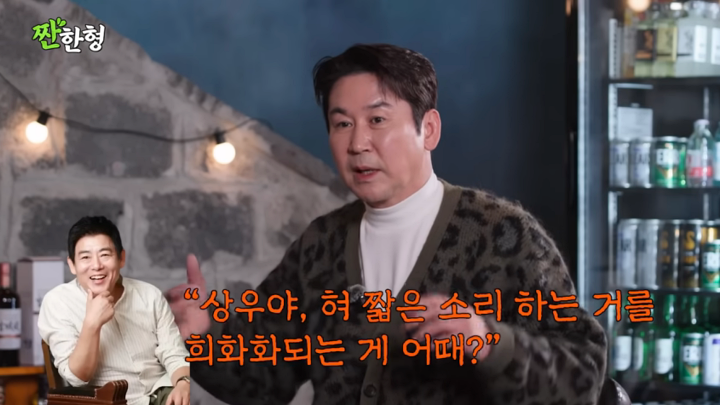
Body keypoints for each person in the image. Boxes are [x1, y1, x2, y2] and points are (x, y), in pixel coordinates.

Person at [168, 43, 608, 405]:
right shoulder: (321, 244)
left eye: (377, 120)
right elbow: (265, 379)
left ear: (428, 129)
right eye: (342, 124)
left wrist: (489, 342)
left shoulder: (502, 235)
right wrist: (204, 335)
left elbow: (583, 376)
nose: (358, 143)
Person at [38, 216, 191, 405]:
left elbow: (174, 353)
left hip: (161, 395)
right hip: (108, 401)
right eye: (85, 257)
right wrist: (92, 323)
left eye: (105, 255)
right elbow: (77, 378)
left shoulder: (149, 295)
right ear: (72, 265)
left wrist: (183, 383)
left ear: (121, 258)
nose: (96, 266)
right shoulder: (58, 302)